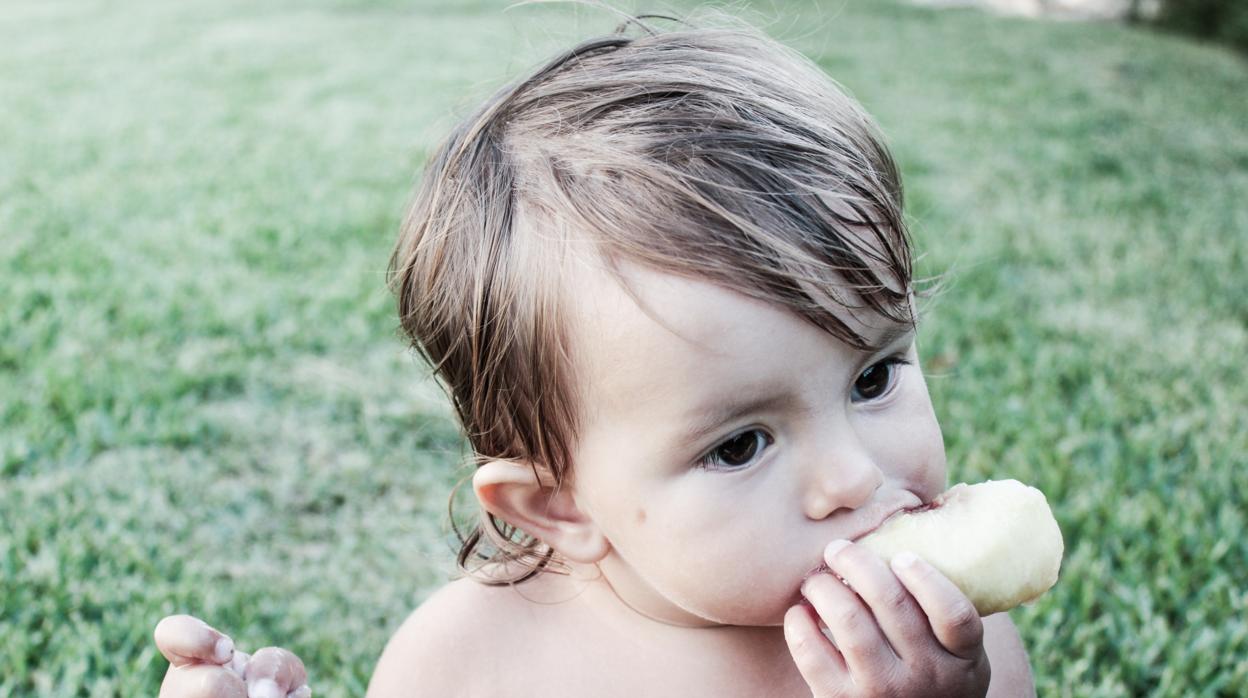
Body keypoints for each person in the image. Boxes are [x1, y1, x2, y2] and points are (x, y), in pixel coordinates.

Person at [155, 13, 1038, 697]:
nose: (853, 474)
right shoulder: (468, 665)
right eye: (739, 444)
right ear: (558, 504)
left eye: (873, 376)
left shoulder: (956, 646)